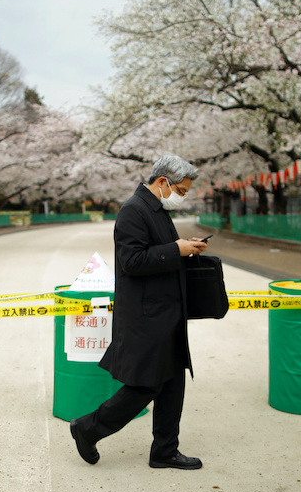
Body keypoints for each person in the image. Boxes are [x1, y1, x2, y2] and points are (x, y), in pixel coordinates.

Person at [69, 154, 209, 470]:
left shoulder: (155, 210)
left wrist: (185, 246)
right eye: (181, 191)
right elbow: (132, 262)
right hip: (148, 318)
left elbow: (157, 250)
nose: (181, 197)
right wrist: (177, 249)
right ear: (162, 182)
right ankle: (87, 428)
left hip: (166, 313)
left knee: (173, 383)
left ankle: (164, 450)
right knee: (146, 385)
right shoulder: (134, 211)